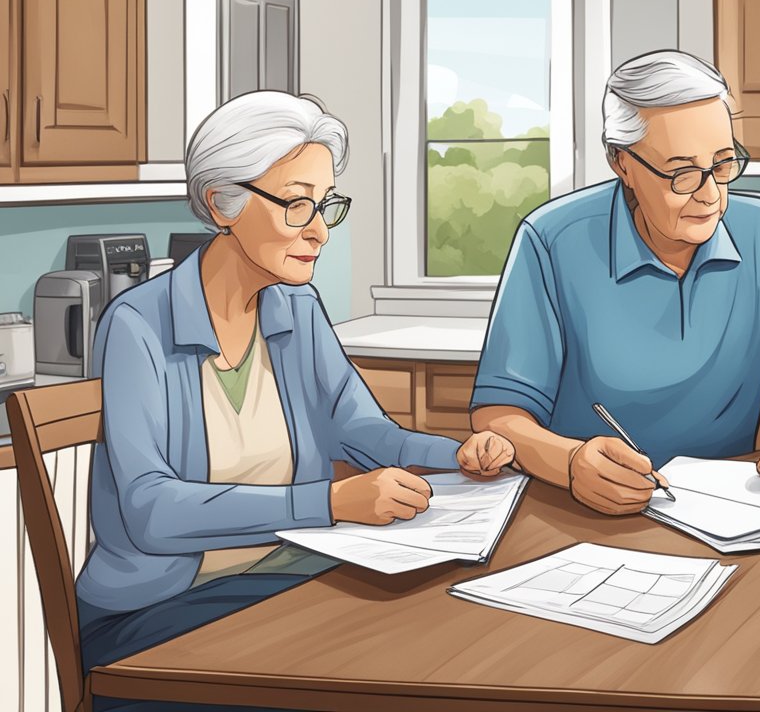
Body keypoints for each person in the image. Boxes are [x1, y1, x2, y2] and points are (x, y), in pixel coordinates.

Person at [76, 91, 515, 706]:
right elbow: (153, 511)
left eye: (325, 205)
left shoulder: (295, 309)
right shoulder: (138, 325)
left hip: (287, 579)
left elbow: (368, 433)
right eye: (296, 205)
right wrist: (332, 501)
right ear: (220, 204)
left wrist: (460, 454)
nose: (318, 230)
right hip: (157, 615)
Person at [471, 50, 760, 515]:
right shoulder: (550, 240)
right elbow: (498, 415)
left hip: (729, 516)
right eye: (682, 173)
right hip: (583, 515)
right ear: (621, 163)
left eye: (723, 165)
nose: (711, 195)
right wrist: (569, 463)